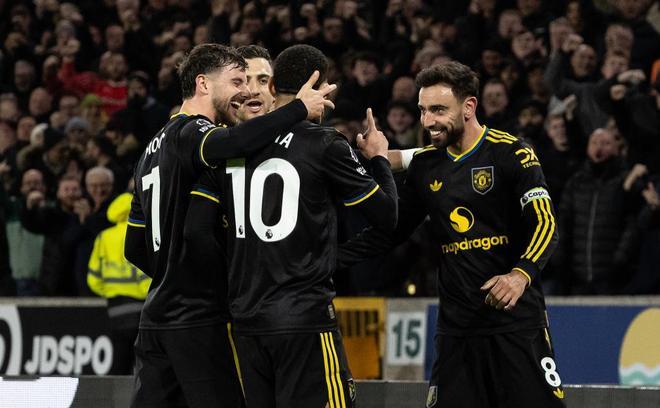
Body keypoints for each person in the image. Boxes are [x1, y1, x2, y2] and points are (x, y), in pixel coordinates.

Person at [339, 61, 565, 408]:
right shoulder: (426, 166)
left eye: (438, 110)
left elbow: (546, 224)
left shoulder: (512, 153)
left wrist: (520, 275)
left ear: (469, 107)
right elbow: (390, 232)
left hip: (516, 324)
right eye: (423, 110)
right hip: (457, 331)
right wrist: (329, 259)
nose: (428, 121)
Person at [123, 43, 334, 408]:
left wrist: (172, 274)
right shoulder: (192, 131)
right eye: (236, 81)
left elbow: (134, 247)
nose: (244, 91)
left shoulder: (149, 151)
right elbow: (235, 141)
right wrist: (299, 109)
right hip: (197, 319)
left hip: (155, 319)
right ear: (203, 84)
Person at [191, 44, 397, 408]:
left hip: (246, 324)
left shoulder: (229, 147)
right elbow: (386, 216)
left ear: (272, 88)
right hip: (304, 321)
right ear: (323, 90)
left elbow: (199, 232)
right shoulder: (323, 143)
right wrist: (379, 158)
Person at [88, 192, 151, 374]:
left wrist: (109, 290)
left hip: (115, 308)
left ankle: (116, 392)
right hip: (140, 307)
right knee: (145, 361)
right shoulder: (140, 232)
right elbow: (145, 271)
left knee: (119, 360)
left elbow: (93, 278)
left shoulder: (104, 237)